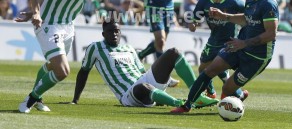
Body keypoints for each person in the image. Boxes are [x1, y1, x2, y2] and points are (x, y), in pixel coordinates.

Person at [171, 0, 279, 113]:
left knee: (227, 88)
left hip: (257, 57)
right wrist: (225, 16)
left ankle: (232, 103)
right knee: (208, 70)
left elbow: (271, 34)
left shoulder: (268, 4)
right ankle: (186, 106)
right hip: (239, 46)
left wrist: (244, 43)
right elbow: (246, 19)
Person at [18, 0, 94, 114]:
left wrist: (35, 8)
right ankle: (30, 99)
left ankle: (37, 98)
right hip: (49, 24)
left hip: (68, 27)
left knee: (52, 66)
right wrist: (36, 11)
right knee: (62, 71)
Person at [67, 18, 219, 108]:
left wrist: (169, 80)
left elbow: (142, 72)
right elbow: (83, 71)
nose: (114, 34)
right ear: (103, 34)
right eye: (110, 31)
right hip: (128, 94)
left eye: (117, 31)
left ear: (121, 32)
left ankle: (196, 95)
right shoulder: (95, 47)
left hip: (143, 80)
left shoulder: (128, 48)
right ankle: (179, 103)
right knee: (144, 87)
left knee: (174, 52)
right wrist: (75, 99)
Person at [188, 0, 246, 99]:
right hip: (213, 40)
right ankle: (212, 92)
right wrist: (193, 24)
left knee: (217, 68)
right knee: (202, 69)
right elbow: (195, 18)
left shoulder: (234, 2)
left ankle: (239, 94)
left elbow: (249, 14)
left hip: (229, 42)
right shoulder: (204, 2)